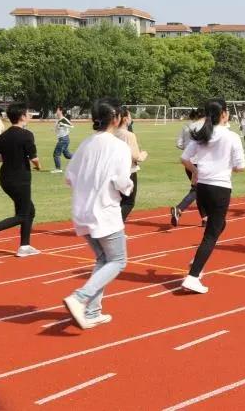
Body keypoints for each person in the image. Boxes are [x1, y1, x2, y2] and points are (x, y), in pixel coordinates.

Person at [62, 98, 133, 329]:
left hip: (82, 211)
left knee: (104, 259)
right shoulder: (119, 146)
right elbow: (122, 182)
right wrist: (128, 189)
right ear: (116, 118)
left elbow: (69, 177)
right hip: (104, 212)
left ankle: (92, 311)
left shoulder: (86, 143)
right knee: (118, 260)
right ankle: (80, 298)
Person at [181, 99, 245, 292]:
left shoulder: (201, 135)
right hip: (220, 188)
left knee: (218, 225)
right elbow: (241, 167)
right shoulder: (231, 136)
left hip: (202, 188)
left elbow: (184, 159)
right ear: (224, 114)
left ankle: (197, 261)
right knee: (211, 234)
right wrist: (227, 168)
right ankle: (193, 276)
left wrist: (197, 171)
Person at [0, 103, 41, 256]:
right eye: (28, 113)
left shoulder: (3, 136)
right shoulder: (27, 135)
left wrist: (8, 158)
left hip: (5, 179)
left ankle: (24, 246)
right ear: (22, 116)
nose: (29, 115)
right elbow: (34, 158)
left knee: (29, 210)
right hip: (21, 179)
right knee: (23, 214)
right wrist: (38, 166)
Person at [171, 109, 206, 227]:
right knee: (197, 189)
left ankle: (205, 218)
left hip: (188, 161)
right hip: (200, 162)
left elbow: (179, 144)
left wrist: (188, 149)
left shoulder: (186, 127)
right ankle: (179, 208)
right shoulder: (207, 127)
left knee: (199, 190)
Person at [115, 107, 148, 222]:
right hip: (129, 170)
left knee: (118, 201)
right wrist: (144, 154)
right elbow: (136, 156)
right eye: (129, 116)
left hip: (114, 170)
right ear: (124, 119)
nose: (131, 119)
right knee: (128, 201)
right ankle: (114, 227)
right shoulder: (128, 135)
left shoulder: (114, 133)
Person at [51, 106, 74, 174]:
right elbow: (56, 129)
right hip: (62, 139)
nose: (56, 111)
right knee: (67, 155)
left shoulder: (64, 119)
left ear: (60, 111)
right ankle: (79, 157)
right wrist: (54, 128)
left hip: (64, 139)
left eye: (57, 110)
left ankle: (58, 169)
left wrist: (64, 125)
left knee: (56, 154)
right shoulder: (58, 120)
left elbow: (72, 126)